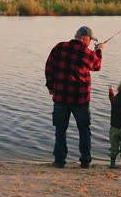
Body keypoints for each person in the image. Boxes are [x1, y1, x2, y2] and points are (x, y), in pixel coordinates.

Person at [45, 26, 105, 168]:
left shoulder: (59, 47)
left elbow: (49, 67)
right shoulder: (87, 53)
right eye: (90, 40)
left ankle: (60, 161)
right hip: (81, 100)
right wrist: (100, 50)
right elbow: (97, 65)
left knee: (60, 130)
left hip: (60, 97)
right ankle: (85, 161)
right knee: (84, 130)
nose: (90, 42)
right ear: (85, 39)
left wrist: (50, 86)